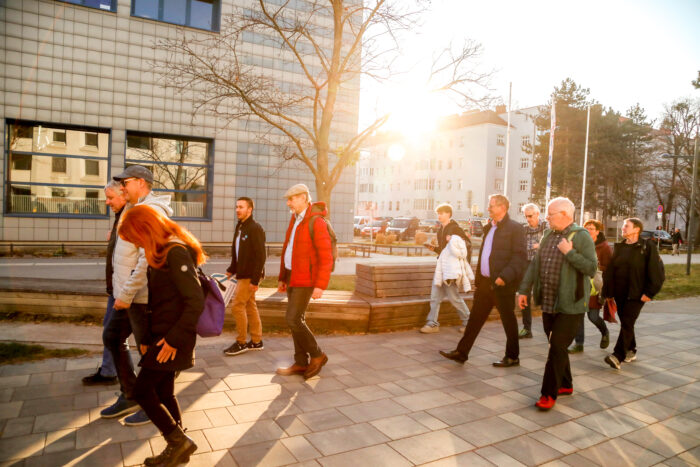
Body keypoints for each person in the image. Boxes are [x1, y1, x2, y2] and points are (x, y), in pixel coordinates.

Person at [118, 205, 203, 466]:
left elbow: (195, 301)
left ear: (146, 229)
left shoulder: (174, 252)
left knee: (142, 392)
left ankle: (178, 442)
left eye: (136, 238)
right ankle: (179, 448)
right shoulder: (160, 252)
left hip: (172, 339)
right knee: (165, 392)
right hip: (161, 336)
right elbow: (161, 302)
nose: (137, 244)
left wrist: (173, 340)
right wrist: (146, 337)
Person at [101, 165, 172, 426]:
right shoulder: (133, 208)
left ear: (141, 183)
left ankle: (152, 402)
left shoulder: (149, 211)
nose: (122, 188)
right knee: (112, 337)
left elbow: (146, 260)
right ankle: (131, 393)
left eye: (126, 183)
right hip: (127, 295)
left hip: (140, 298)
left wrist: (127, 293)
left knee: (148, 352)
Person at [517, 197, 597, 410]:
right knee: (557, 346)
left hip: (571, 305)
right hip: (549, 302)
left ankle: (548, 393)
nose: (546, 218)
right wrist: (524, 289)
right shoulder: (548, 235)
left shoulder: (582, 237)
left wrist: (569, 252)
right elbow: (536, 264)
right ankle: (566, 385)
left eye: (550, 214)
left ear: (564, 215)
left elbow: (591, 268)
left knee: (556, 347)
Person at [439, 194, 527, 367]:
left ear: (503, 207)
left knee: (508, 321)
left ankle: (513, 356)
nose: (488, 208)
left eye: (492, 205)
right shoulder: (489, 228)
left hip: (502, 284)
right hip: (486, 284)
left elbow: (519, 257)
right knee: (475, 319)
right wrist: (479, 280)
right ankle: (461, 352)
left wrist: (505, 277)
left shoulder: (515, 228)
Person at [276, 184, 333, 379]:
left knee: (293, 318)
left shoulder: (316, 222)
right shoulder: (295, 219)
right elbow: (288, 250)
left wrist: (320, 285)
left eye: (291, 199)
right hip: (293, 276)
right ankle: (301, 362)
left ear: (303, 198)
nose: (288, 203)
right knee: (295, 320)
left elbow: (326, 257)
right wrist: (283, 277)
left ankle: (317, 355)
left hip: (306, 279)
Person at [602, 218, 664, 370]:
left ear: (637, 229)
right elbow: (611, 271)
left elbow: (657, 272)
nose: (622, 228)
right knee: (626, 323)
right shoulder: (620, 247)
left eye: (626, 226)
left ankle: (617, 356)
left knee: (628, 322)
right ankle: (631, 349)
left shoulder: (647, 247)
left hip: (637, 294)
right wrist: (608, 292)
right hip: (620, 293)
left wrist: (650, 292)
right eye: (623, 226)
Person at [82, 181, 125, 386]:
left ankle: (124, 380)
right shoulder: (120, 217)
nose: (107, 202)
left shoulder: (129, 217)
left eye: (110, 198)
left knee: (113, 333)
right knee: (111, 331)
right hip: (117, 288)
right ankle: (110, 371)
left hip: (124, 290)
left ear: (123, 195)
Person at [224, 197, 266, 356]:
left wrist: (255, 280)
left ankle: (241, 342)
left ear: (250, 210)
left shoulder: (255, 228)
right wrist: (231, 269)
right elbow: (237, 252)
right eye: (236, 207)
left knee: (237, 305)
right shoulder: (240, 227)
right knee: (250, 306)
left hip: (250, 275)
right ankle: (256, 341)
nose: (237, 210)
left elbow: (261, 256)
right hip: (242, 273)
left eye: (241, 207)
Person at [421, 204, 472, 333]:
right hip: (441, 268)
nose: (439, 215)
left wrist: (454, 240)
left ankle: (470, 323)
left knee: (454, 298)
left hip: (451, 270)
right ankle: (433, 323)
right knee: (435, 297)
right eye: (438, 213)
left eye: (442, 213)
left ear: (449, 214)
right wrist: (434, 249)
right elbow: (445, 251)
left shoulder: (455, 229)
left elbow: (467, 246)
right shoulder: (440, 230)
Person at [568, 219, 612, 353]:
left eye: (591, 228)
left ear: (597, 231)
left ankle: (604, 332)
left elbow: (610, 267)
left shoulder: (604, 247)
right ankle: (579, 343)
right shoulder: (580, 244)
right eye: (586, 227)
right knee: (579, 315)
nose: (587, 230)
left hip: (595, 286)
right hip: (580, 283)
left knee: (593, 316)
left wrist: (596, 266)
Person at [519, 203, 547, 339]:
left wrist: (538, 246)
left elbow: (548, 244)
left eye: (530, 216)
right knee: (524, 294)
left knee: (545, 295)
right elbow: (520, 246)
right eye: (526, 216)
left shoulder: (546, 227)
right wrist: (536, 245)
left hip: (543, 265)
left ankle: (551, 328)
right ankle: (526, 328)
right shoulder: (523, 229)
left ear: (537, 214)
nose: (528, 219)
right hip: (526, 264)